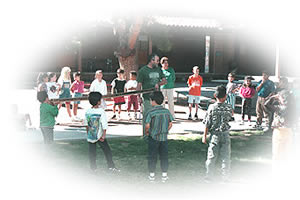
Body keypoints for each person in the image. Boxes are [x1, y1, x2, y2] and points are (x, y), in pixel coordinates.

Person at [202, 85, 233, 182]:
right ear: (225, 96)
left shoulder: (212, 107)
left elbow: (207, 122)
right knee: (226, 157)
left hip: (214, 134)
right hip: (225, 134)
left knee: (211, 156)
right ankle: (225, 177)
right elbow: (231, 116)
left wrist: (204, 135)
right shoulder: (229, 107)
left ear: (215, 95)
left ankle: (209, 176)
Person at [84, 92, 119, 172]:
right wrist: (103, 135)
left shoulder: (88, 111)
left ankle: (93, 168)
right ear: (99, 102)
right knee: (107, 151)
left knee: (92, 152)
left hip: (91, 135)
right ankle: (111, 166)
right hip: (99, 135)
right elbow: (104, 125)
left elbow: (86, 124)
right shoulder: (101, 111)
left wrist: (88, 134)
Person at [144, 91, 173, 182]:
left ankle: (152, 175)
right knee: (164, 156)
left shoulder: (151, 112)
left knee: (152, 156)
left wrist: (148, 132)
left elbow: (147, 125)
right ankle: (164, 175)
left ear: (153, 101)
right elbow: (170, 123)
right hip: (164, 138)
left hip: (153, 137)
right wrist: (165, 130)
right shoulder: (167, 111)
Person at [137, 53, 167, 136]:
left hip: (157, 98)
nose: (158, 62)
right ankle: (146, 135)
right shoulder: (143, 70)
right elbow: (139, 85)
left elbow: (164, 81)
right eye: (157, 61)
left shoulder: (159, 69)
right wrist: (138, 97)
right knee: (147, 117)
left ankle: (155, 134)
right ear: (152, 60)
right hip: (147, 98)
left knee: (157, 116)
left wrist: (159, 83)